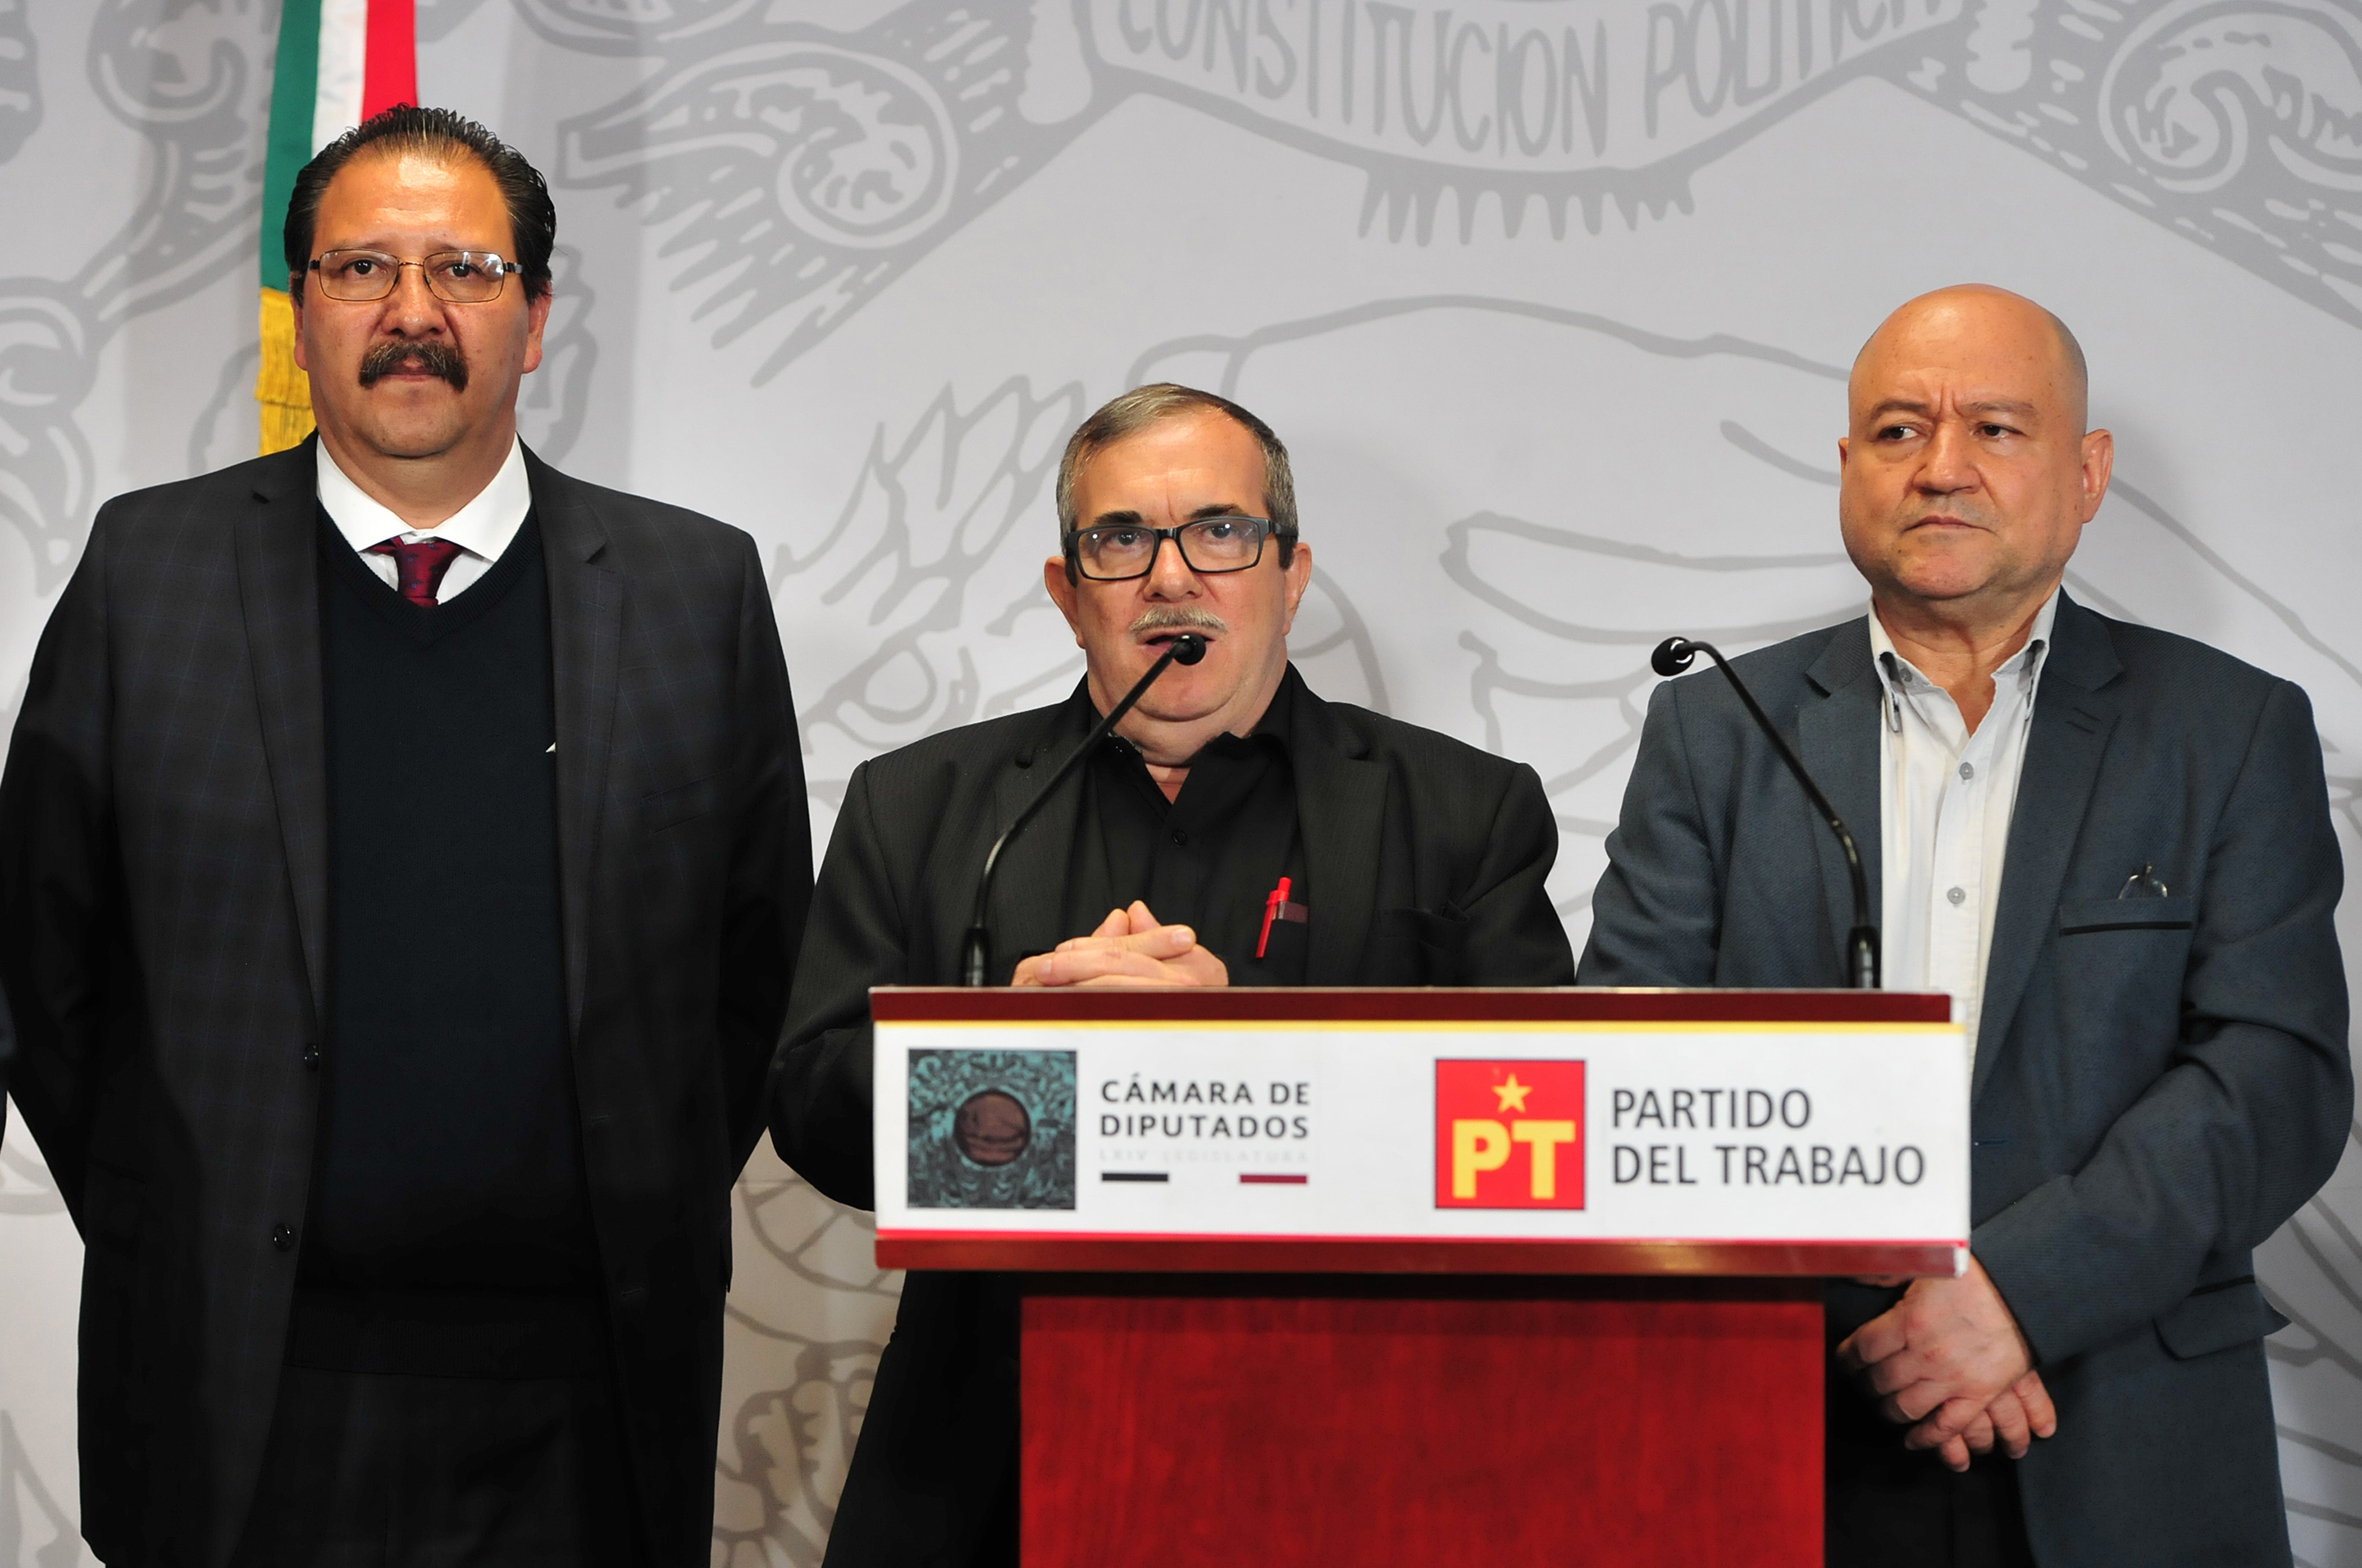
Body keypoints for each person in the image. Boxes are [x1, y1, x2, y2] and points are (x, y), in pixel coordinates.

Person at [0, 106, 810, 1567]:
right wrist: (170, 1203)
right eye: (362, 267)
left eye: (466, 270)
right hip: (240, 1388)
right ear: (301, 310)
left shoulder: (695, 593)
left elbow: (754, 978)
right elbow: (41, 962)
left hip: (585, 1400)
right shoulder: (148, 571)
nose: (413, 313)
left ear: (537, 317)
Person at [1579, 284, 2350, 1566]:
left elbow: (2273, 1073)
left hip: (2124, 1430)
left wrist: (2016, 1296)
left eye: (1994, 427)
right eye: (1897, 430)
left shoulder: (2228, 728)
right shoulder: (1716, 728)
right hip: (1791, 1430)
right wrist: (1886, 1333)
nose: (1940, 466)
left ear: (2087, 473)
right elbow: (1631, 1068)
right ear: (1846, 466)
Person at [769, 383, 1576, 1566]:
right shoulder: (925, 806)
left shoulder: (1461, 810)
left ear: (1291, 576)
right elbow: (813, 1109)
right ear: (1068, 594)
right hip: (990, 1471)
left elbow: (1533, 1137)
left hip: (1353, 1456)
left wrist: (1228, 1047)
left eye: (1219, 531)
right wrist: (1017, 1060)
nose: (1169, 575)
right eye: (1120, 540)